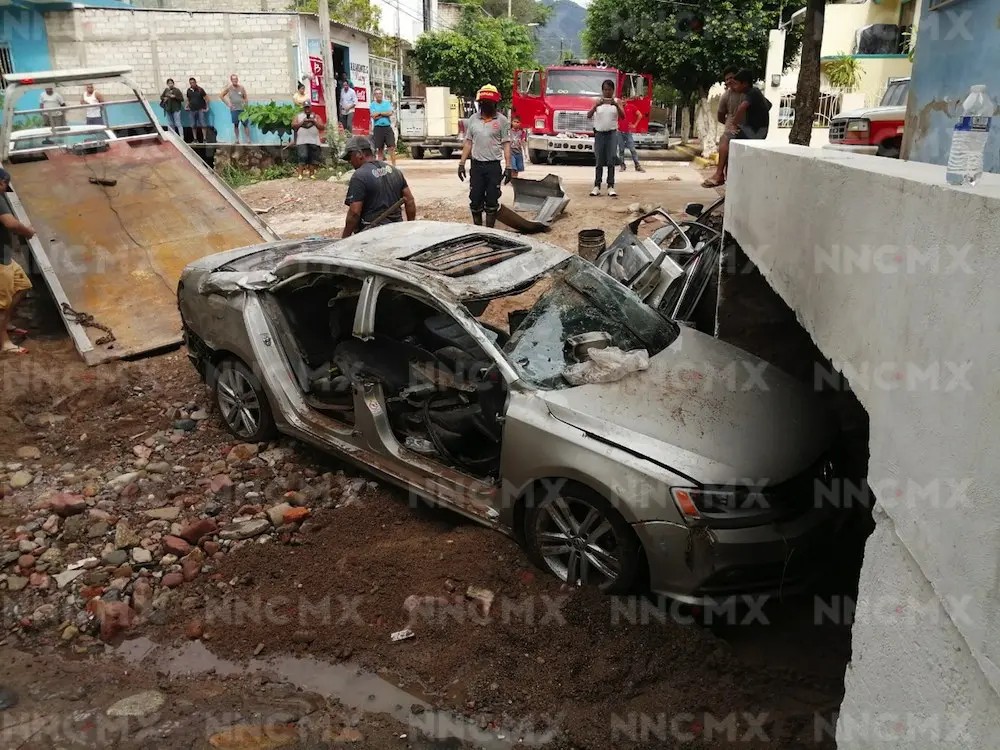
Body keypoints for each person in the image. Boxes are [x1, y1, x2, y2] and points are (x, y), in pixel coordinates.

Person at [457, 84, 511, 228]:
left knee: (492, 200)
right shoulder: (473, 119)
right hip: (477, 166)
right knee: (475, 200)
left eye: (488, 103)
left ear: (495, 103)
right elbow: (468, 142)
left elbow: (506, 144)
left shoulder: (502, 121)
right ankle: (478, 229)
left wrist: (509, 166)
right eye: (483, 103)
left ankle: (490, 232)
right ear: (480, 103)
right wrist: (461, 164)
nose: (485, 105)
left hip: (493, 167)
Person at [341, 136, 416, 238]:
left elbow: (354, 212)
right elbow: (410, 200)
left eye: (350, 157)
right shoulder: (394, 170)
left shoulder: (359, 176)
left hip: (373, 235)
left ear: (359, 154)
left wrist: (345, 239)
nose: (349, 161)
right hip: (397, 231)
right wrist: (409, 227)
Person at [0, 169, 36, 356]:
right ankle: (4, 342)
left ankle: (6, 324)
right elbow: (11, 224)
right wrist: (28, 231)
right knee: (1, 305)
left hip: (4, 257)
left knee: (22, 286)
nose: (6, 191)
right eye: (6, 186)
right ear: (1, 182)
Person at [703, 65, 742, 188]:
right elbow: (720, 115)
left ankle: (721, 176)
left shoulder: (750, 92)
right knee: (725, 142)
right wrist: (730, 125)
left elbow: (766, 106)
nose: (729, 81)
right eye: (726, 79)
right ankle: (720, 175)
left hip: (748, 132)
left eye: (732, 77)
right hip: (732, 132)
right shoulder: (727, 95)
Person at [587, 79, 624, 197]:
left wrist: (616, 105)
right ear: (602, 90)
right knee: (599, 160)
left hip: (612, 134)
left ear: (613, 90)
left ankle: (610, 186)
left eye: (609, 89)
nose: (607, 92)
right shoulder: (598, 101)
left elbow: (623, 116)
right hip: (599, 134)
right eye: (605, 90)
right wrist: (595, 106)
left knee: (611, 160)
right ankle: (597, 186)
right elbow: (589, 115)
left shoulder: (617, 101)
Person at [292, 102, 325, 180]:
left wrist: (314, 121)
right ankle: (300, 174)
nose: (307, 109)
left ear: (311, 107)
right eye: (305, 107)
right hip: (302, 141)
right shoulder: (299, 116)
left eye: (308, 107)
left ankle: (311, 174)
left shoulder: (316, 116)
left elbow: (322, 127)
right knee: (302, 157)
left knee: (313, 158)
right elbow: (293, 126)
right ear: (303, 108)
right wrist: (302, 122)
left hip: (314, 140)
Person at [369, 88, 396, 166]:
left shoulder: (387, 103)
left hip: (387, 127)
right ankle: (380, 167)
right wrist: (384, 114)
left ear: (382, 94)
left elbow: (390, 113)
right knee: (380, 149)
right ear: (374, 95)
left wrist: (379, 113)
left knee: (391, 147)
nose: (378, 95)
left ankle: (394, 166)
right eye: (376, 94)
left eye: (380, 93)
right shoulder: (372, 104)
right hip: (378, 128)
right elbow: (373, 116)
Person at [220, 74, 251, 144]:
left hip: (243, 110)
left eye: (236, 79)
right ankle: (237, 139)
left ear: (237, 80)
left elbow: (245, 98)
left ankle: (248, 139)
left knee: (245, 124)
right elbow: (221, 96)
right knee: (236, 125)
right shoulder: (229, 88)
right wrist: (228, 104)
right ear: (231, 80)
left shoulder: (241, 88)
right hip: (234, 110)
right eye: (233, 79)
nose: (235, 81)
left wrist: (246, 107)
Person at [617, 103, 645, 173]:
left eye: (624, 98)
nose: (623, 101)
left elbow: (640, 115)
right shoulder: (617, 107)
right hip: (619, 131)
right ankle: (622, 165)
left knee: (632, 149)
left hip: (628, 131)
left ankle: (637, 165)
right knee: (621, 149)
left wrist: (635, 125)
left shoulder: (631, 107)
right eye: (621, 99)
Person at [186, 77, 209, 143]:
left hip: (200, 110)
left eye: (193, 82)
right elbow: (188, 100)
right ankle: (195, 139)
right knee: (193, 125)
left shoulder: (200, 90)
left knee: (203, 124)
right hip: (192, 110)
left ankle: (204, 139)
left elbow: (206, 98)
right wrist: (186, 106)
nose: (192, 84)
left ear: (196, 82)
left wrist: (207, 107)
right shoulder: (188, 90)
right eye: (191, 83)